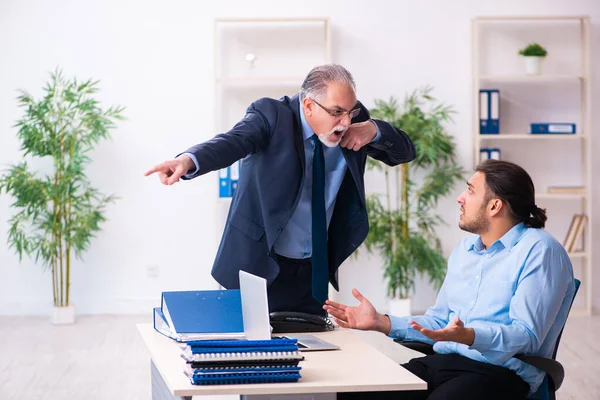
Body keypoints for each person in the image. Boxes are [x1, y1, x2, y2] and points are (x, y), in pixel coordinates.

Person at [145, 64, 416, 316]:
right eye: (336, 112)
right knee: (249, 355)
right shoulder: (271, 115)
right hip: (259, 263)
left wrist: (373, 129)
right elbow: (233, 141)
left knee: (312, 353)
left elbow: (405, 152)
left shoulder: (355, 122)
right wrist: (188, 160)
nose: (345, 121)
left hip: (314, 269)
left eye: (351, 111)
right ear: (309, 105)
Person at [326, 159, 576, 400]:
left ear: (494, 206)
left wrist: (470, 336)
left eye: (470, 190)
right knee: (354, 395)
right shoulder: (466, 249)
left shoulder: (540, 250)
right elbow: (438, 321)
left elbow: (526, 336)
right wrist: (381, 322)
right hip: (442, 363)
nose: (460, 198)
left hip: (499, 373)